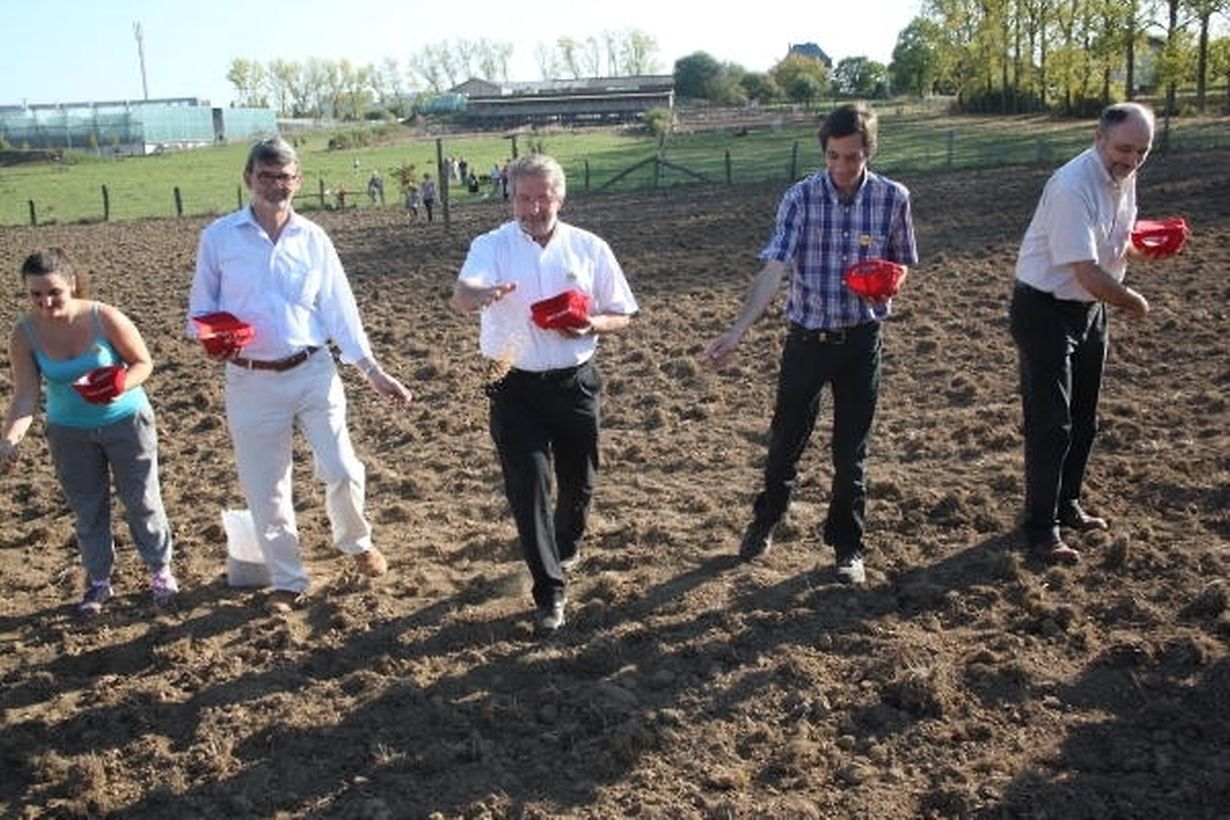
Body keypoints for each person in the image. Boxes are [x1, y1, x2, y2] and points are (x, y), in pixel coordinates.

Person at [188, 136, 413, 613]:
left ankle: (356, 541)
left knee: (342, 467)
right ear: (249, 178)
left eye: (285, 178)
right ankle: (288, 580)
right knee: (266, 486)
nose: (276, 186)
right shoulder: (219, 238)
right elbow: (199, 311)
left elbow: (339, 309)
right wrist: (213, 338)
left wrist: (372, 370)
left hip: (312, 370)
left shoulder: (313, 238)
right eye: (266, 176)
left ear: (299, 181)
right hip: (250, 379)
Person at [704, 102, 917, 585]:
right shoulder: (800, 198)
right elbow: (774, 269)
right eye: (833, 156)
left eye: (853, 157)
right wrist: (736, 332)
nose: (842, 167)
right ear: (824, 152)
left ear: (869, 152)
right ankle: (766, 520)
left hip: (861, 340)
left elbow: (901, 262)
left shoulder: (893, 198)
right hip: (806, 341)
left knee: (851, 452)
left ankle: (847, 546)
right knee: (785, 443)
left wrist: (887, 283)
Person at [450, 154, 638, 634]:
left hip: (574, 380)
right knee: (528, 484)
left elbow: (622, 313)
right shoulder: (490, 245)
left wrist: (590, 325)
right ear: (511, 197)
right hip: (511, 376)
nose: (533, 208)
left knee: (579, 481)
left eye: (543, 198)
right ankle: (549, 591)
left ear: (560, 197)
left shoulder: (589, 247)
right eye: (524, 198)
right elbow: (462, 294)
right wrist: (481, 296)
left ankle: (566, 544)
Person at [1010, 102, 1160, 564]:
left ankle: (1067, 504)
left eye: (1142, 151)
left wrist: (1147, 248)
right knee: (1051, 424)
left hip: (1089, 308)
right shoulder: (1072, 186)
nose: (1132, 160)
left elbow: (1115, 240)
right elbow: (1086, 270)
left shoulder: (1123, 177)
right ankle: (1041, 529)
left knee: (1084, 418)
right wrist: (1134, 301)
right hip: (1044, 308)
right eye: (1124, 149)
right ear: (1099, 139)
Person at [1, 248, 178, 614]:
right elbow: (26, 395)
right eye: (36, 294)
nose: (46, 302)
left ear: (71, 283)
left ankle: (160, 571)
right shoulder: (25, 334)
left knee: (141, 500)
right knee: (88, 508)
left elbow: (143, 363)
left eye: (54, 292)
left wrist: (118, 385)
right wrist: (10, 440)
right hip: (69, 432)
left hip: (125, 422)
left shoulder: (103, 317)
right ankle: (98, 581)